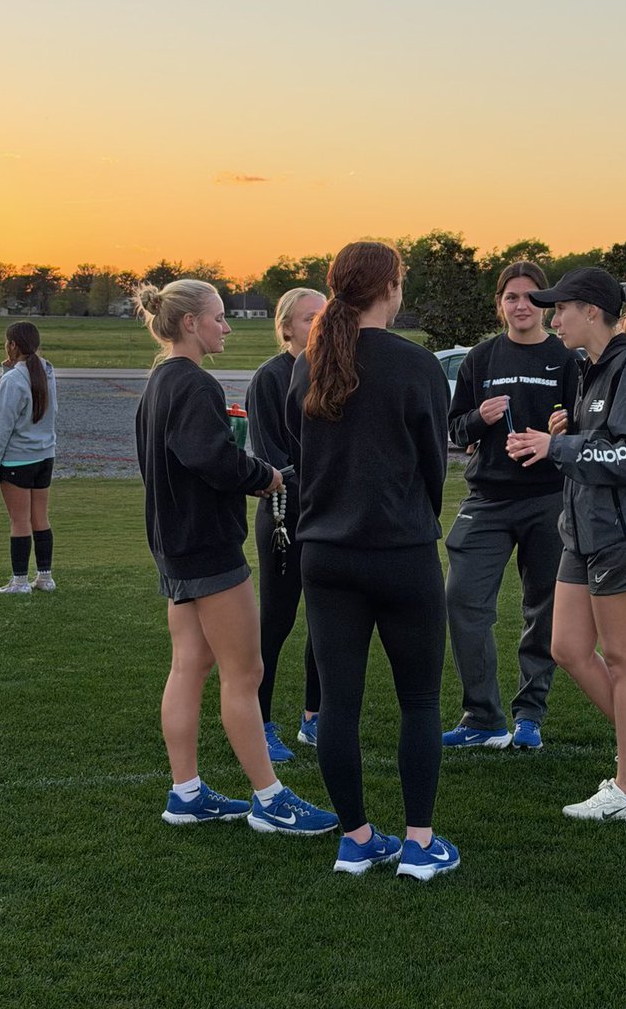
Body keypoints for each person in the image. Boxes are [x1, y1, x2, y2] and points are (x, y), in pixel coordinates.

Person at [134, 278, 337, 836]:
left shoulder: (159, 382)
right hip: (206, 548)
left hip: (175, 548)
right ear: (189, 324)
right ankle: (271, 800)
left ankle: (187, 793)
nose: (226, 327)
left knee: (190, 665)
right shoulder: (192, 383)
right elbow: (212, 458)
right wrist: (266, 476)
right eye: (219, 318)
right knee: (245, 671)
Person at [286, 241, 459, 880]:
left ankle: (356, 838)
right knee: (419, 701)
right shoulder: (414, 365)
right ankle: (418, 845)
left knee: (339, 703)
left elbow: (304, 462)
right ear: (389, 287)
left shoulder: (308, 363)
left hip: (325, 555)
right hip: (401, 552)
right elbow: (433, 467)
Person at [506, 267, 626, 823]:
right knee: (566, 648)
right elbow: (603, 444)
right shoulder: (591, 369)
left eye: (559, 309)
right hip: (584, 534)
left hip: (625, 535)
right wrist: (567, 435)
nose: (551, 318)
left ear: (590, 311)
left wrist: (557, 446)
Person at [442, 262, 577, 751]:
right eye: (511, 297)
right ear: (499, 303)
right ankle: (482, 716)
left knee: (543, 610)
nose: (521, 306)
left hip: (548, 499)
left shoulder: (566, 359)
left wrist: (560, 434)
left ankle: (529, 715)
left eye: (530, 297)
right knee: (462, 601)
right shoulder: (480, 358)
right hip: (488, 499)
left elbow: (585, 430)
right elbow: (456, 430)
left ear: (545, 304)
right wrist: (479, 417)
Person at [246, 288, 326, 761]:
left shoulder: (336, 373)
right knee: (275, 623)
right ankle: (260, 723)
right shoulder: (270, 378)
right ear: (287, 328)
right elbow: (272, 457)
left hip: (332, 520)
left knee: (327, 622)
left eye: (323, 316)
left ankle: (314, 719)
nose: (317, 324)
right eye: (308, 318)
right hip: (284, 517)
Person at [0, 322, 58, 594]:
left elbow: (2, 428)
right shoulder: (47, 371)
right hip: (44, 457)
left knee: (19, 520)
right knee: (40, 518)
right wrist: (9, 369)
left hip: (17, 461)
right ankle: (45, 577)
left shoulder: (13, 380)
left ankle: (19, 581)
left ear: (13, 345)